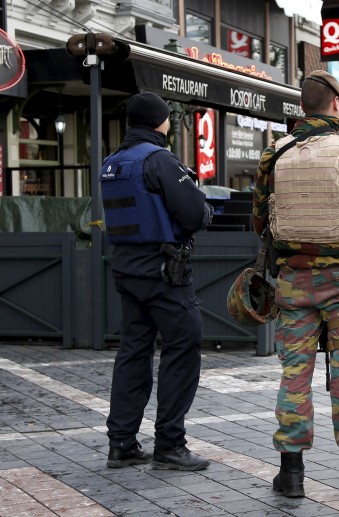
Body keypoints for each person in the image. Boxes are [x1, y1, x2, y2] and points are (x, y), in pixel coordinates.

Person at [252, 70, 339, 499]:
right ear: (336, 104)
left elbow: (260, 220)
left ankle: (291, 474)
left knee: (294, 374)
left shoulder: (274, 156)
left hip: (294, 281)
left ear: (303, 106)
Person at [102, 92, 213, 471]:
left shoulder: (112, 163)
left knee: (133, 351)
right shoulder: (159, 159)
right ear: (160, 122)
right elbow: (194, 212)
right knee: (184, 344)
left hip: (126, 269)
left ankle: (122, 442)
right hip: (164, 271)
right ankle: (170, 443)